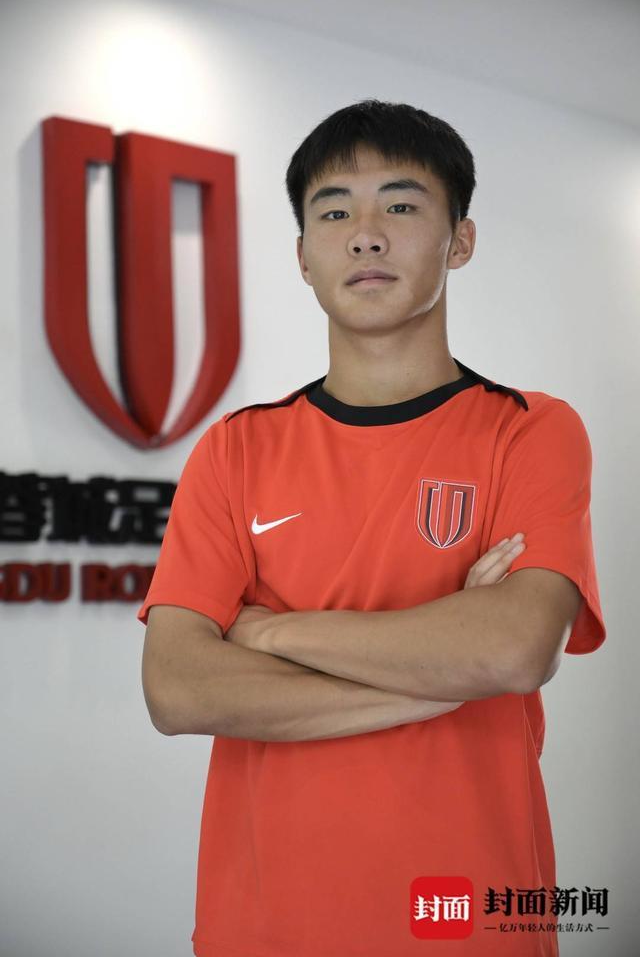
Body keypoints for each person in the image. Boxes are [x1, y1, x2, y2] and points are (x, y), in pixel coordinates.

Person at [137, 99, 606, 957]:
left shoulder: (529, 430)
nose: (365, 236)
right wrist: (441, 676)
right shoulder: (235, 449)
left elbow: (512, 650)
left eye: (399, 204)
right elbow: (179, 689)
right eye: (333, 212)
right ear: (303, 257)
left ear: (460, 241)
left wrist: (267, 631)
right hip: (262, 929)